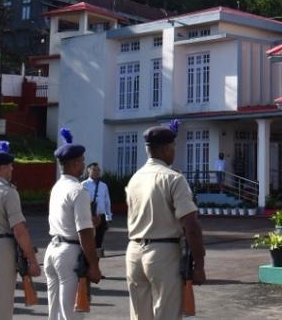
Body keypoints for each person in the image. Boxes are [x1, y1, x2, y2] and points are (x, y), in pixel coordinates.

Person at [126, 123, 206, 320]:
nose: (174, 152)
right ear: (165, 149)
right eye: (173, 147)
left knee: (139, 315)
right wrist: (199, 264)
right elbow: (191, 225)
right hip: (163, 253)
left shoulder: (135, 178)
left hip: (134, 251)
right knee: (167, 313)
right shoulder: (173, 179)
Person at [0, 141, 41, 320]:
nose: (12, 169)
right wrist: (32, 260)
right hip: (1, 246)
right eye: (10, 166)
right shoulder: (7, 192)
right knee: (2, 300)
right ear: (2, 168)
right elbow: (19, 230)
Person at [45, 128, 103, 320]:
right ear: (75, 163)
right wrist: (94, 264)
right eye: (82, 161)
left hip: (53, 249)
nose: (84, 164)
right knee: (72, 313)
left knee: (55, 312)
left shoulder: (57, 186)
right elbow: (85, 231)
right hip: (70, 253)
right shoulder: (78, 190)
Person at [81, 162, 112, 258]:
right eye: (94, 170)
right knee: (89, 242)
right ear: (88, 171)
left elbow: (107, 201)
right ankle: (86, 266)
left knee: (99, 243)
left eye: (98, 170)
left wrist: (108, 216)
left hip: (101, 217)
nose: (97, 172)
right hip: (89, 218)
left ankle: (95, 267)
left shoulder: (103, 185)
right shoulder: (83, 185)